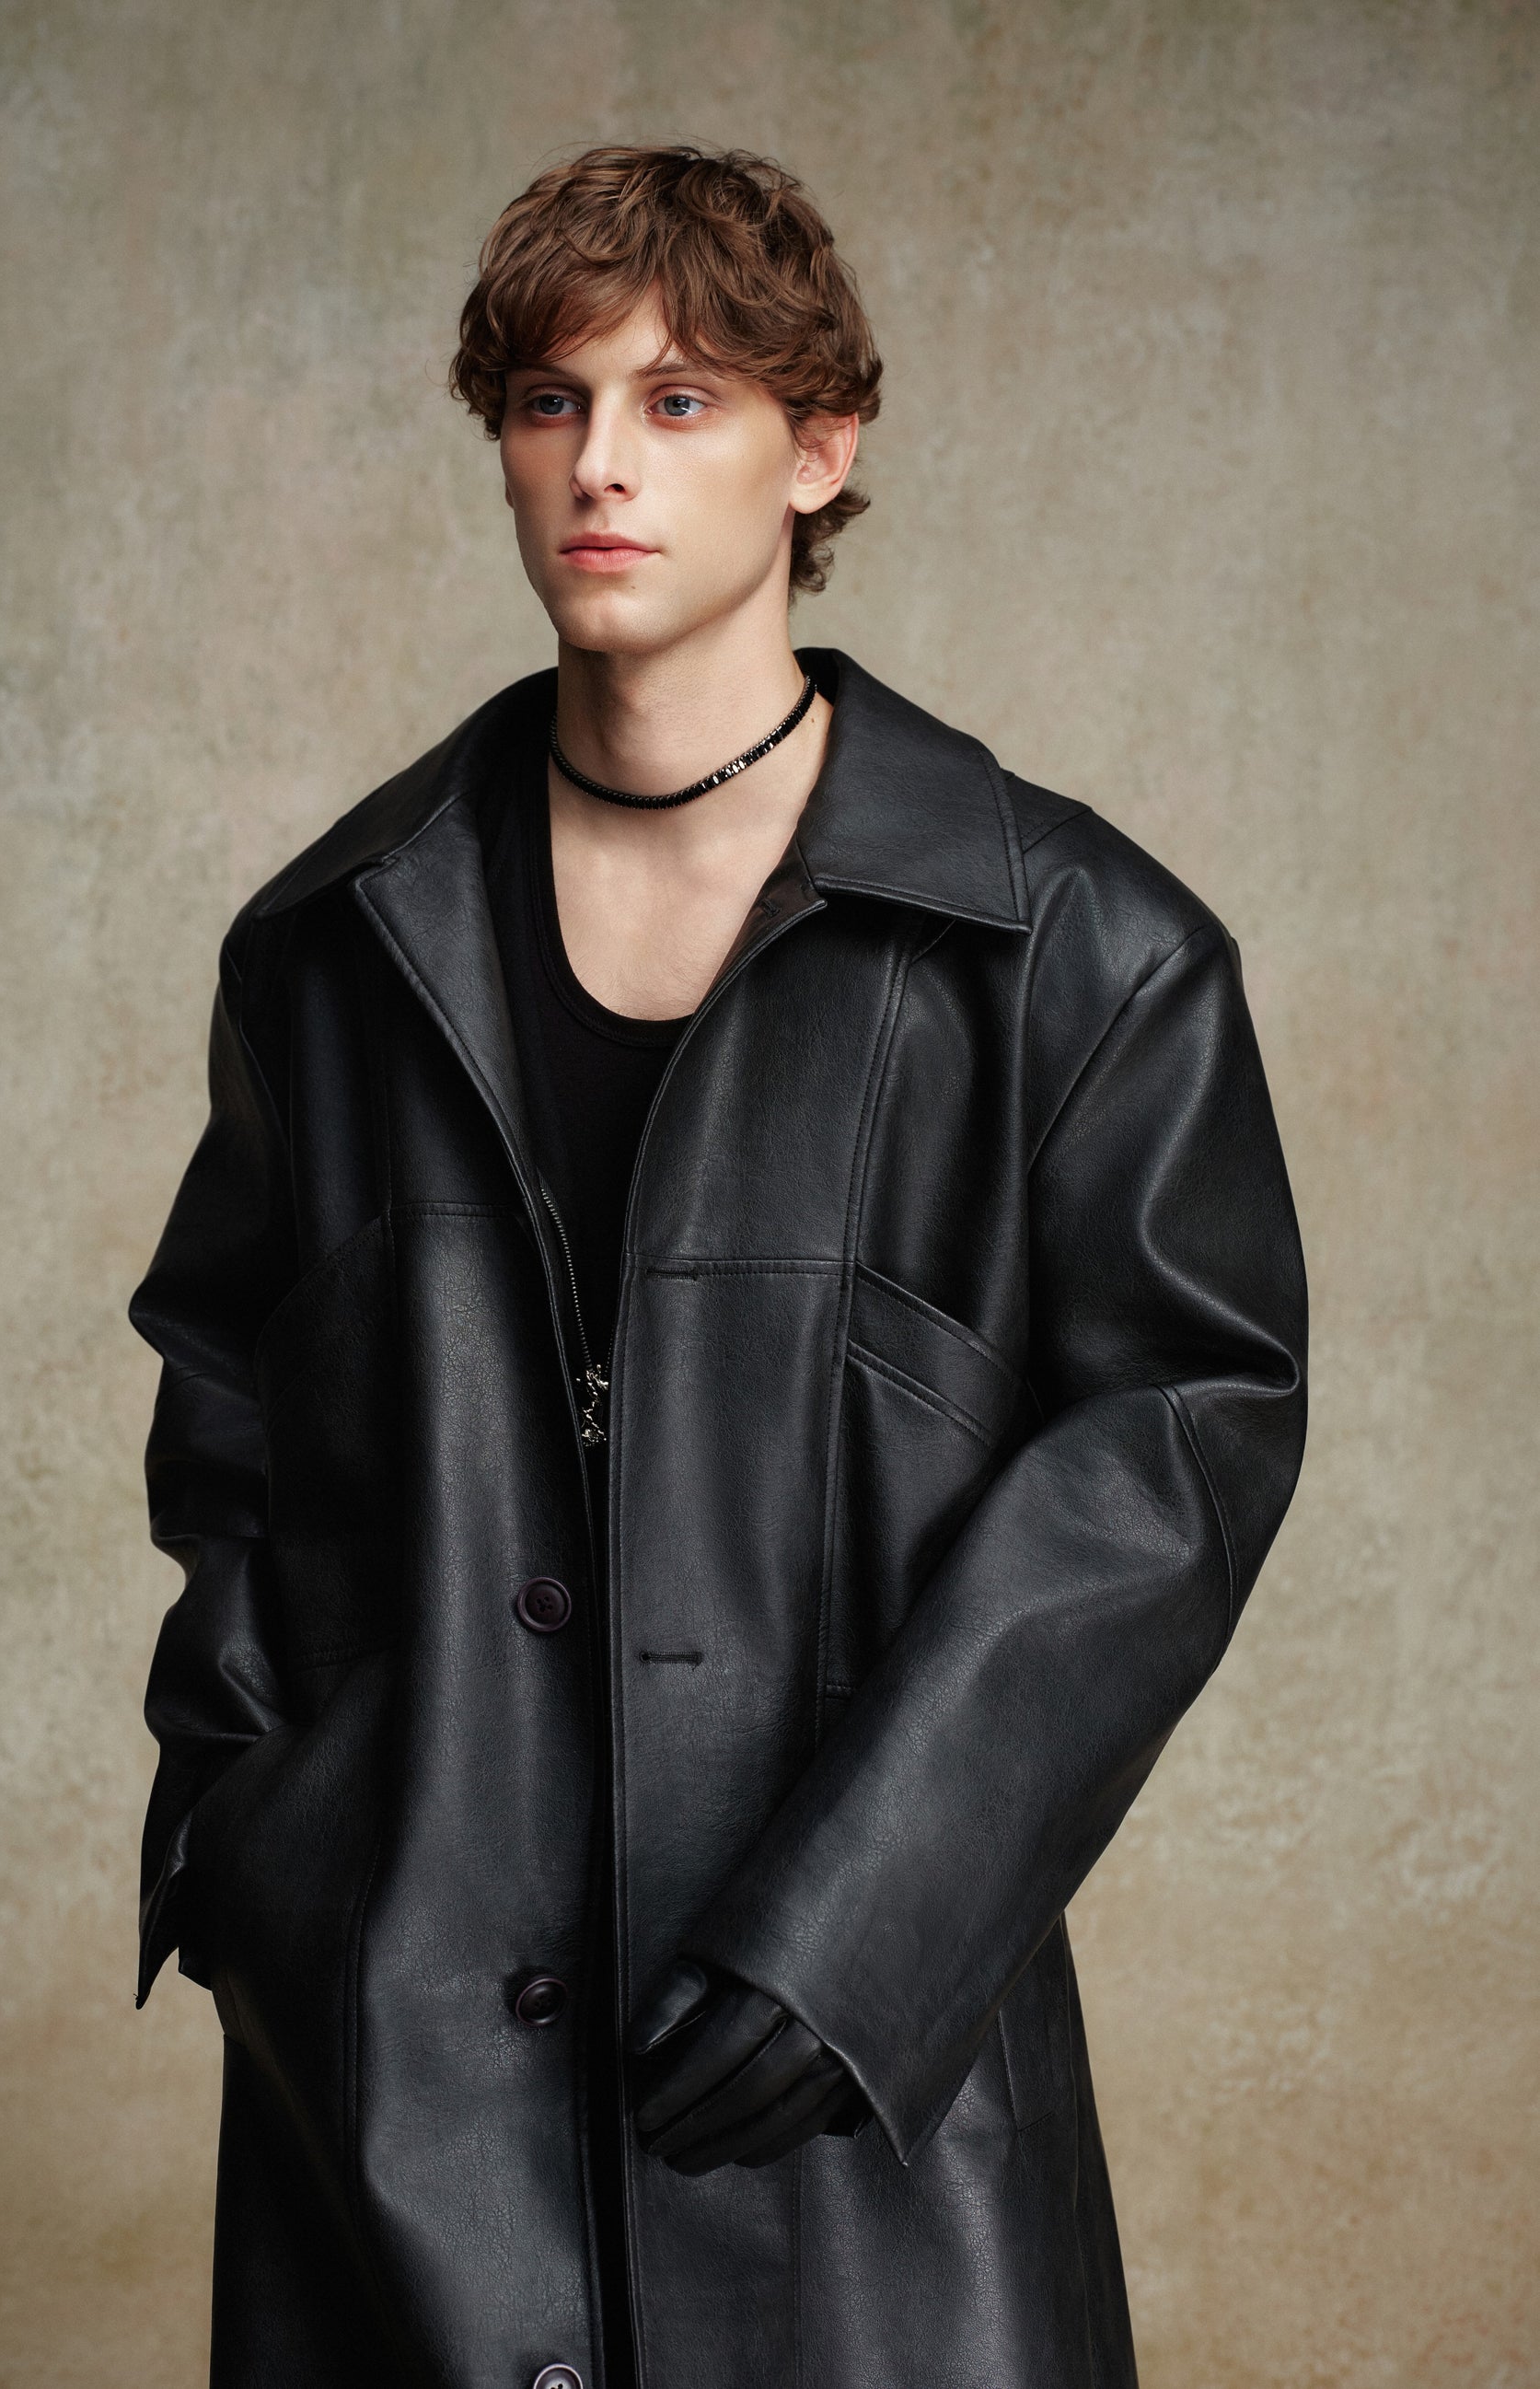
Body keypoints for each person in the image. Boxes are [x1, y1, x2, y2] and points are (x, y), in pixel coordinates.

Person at [130, 145, 1306, 2389]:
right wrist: (254, 1834)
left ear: (819, 447)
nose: (600, 464)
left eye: (678, 402)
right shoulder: (331, 948)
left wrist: (869, 1926)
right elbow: (233, 1413)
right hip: (397, 2102)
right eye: (548, 401)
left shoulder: (1076, 952)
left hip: (855, 2100)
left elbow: (1176, 1445)